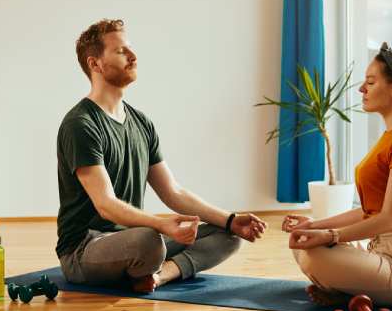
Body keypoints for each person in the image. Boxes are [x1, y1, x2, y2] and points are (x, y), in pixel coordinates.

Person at [56, 19, 267, 293]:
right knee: (150, 241)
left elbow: (173, 192)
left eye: (131, 49)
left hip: (132, 239)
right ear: (95, 64)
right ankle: (147, 264)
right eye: (121, 51)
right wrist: (161, 225)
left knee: (227, 235)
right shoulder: (81, 124)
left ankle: (160, 275)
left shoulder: (141, 122)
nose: (133, 57)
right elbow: (105, 204)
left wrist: (230, 219)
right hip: (84, 249)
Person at [282, 42, 392, 306]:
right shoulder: (391, 137)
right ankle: (346, 290)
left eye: (370, 82)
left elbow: (391, 218)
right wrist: (313, 226)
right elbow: (369, 211)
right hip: (383, 253)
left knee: (314, 255)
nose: (361, 89)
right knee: (302, 241)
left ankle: (344, 289)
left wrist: (330, 236)